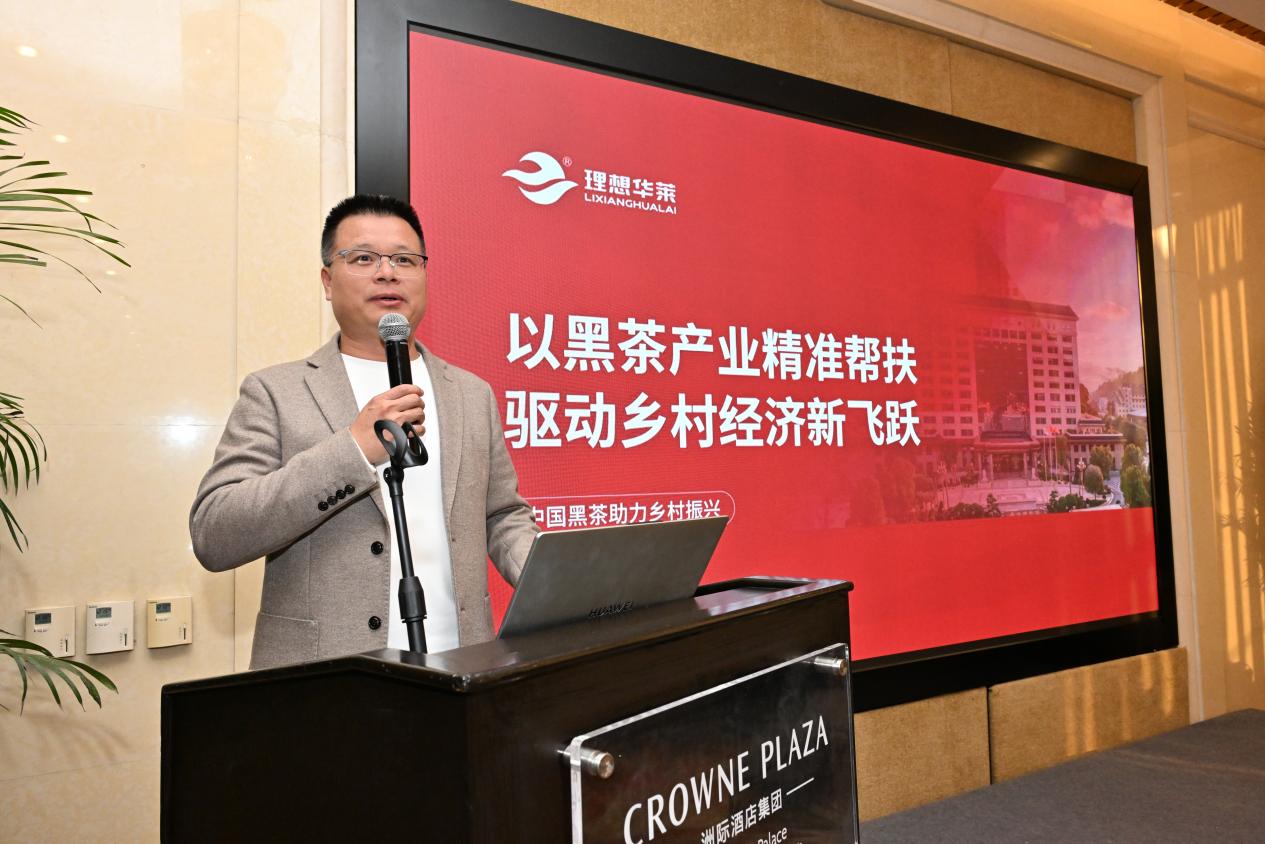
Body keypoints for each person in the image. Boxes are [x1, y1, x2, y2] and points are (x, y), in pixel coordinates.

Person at [190, 194, 538, 669]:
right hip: (327, 680)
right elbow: (216, 532)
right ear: (327, 281)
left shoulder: (471, 393)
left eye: (404, 259)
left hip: (462, 669)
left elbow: (502, 515)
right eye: (364, 258)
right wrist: (353, 450)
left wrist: (555, 583)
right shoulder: (276, 391)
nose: (387, 273)